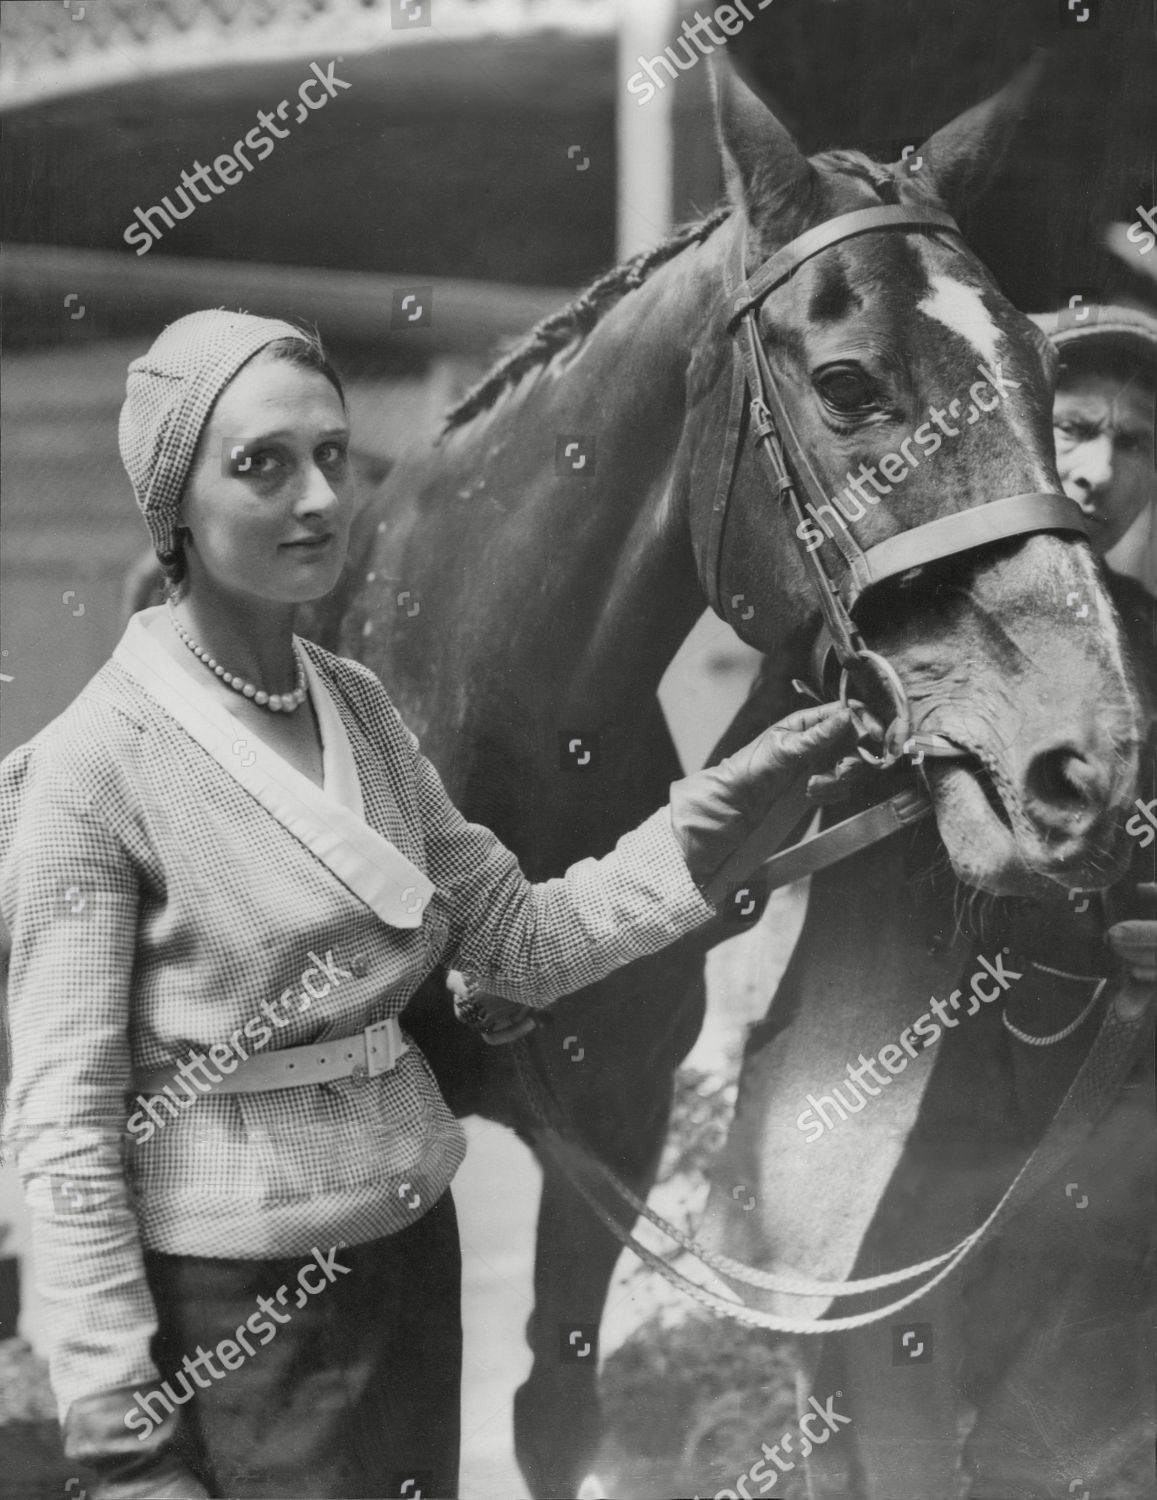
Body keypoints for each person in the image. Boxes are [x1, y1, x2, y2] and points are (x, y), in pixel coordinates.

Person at [0, 310, 859, 1500]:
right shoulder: (90, 771)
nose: (315, 498)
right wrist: (117, 1432)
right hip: (233, 1308)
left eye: (331, 456)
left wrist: (717, 811)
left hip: (409, 1260)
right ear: (172, 503)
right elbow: (66, 1126)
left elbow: (523, 940)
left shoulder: (354, 710)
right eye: (260, 465)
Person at [699, 301, 1156, 1498]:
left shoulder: (1151, 644)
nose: (1100, 468)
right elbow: (718, 845)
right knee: (876, 1455)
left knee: (1048, 1445)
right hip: (879, 1105)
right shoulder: (866, 622)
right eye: (1074, 427)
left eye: (1138, 441)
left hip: (1079, 1124)